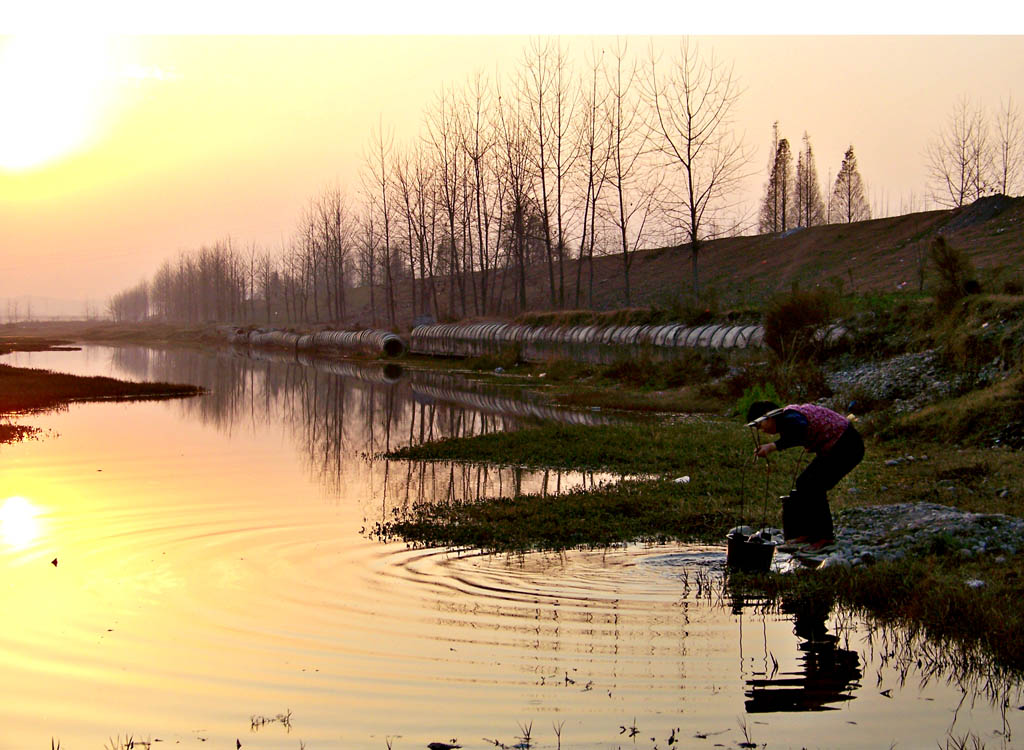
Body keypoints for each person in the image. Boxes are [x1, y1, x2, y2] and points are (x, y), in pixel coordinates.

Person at [745, 400, 864, 552]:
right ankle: (808, 534)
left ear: (769, 417)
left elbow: (799, 431)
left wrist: (772, 447)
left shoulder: (791, 418)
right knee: (804, 483)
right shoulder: (788, 418)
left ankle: (824, 538)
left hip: (847, 445)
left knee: (813, 485)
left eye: (760, 426)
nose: (762, 431)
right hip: (836, 445)